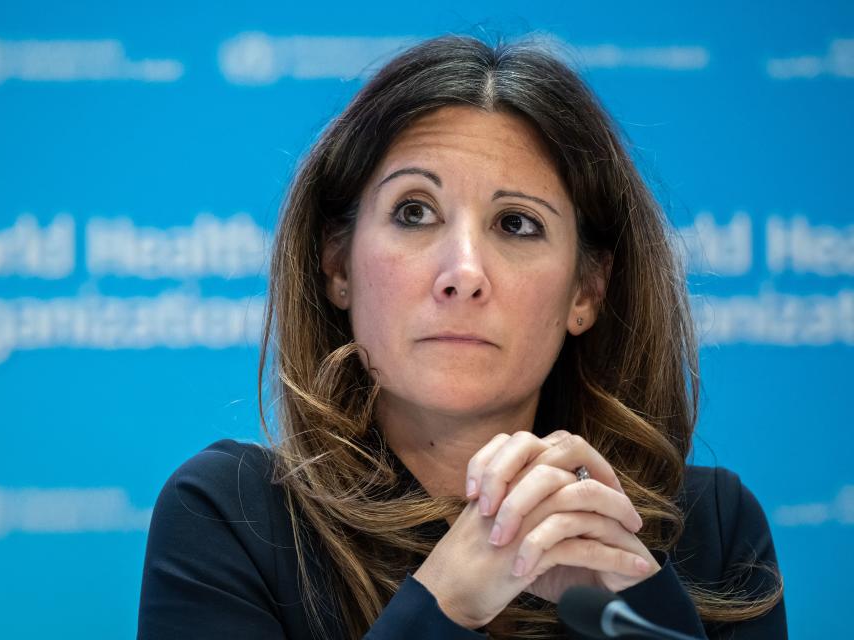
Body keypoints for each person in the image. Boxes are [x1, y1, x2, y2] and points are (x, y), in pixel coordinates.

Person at [137, 35, 787, 639]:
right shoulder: (230, 518)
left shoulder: (710, 530)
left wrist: (641, 615)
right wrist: (446, 598)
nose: (464, 273)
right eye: (414, 213)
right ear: (337, 265)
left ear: (586, 291)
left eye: (516, 224)